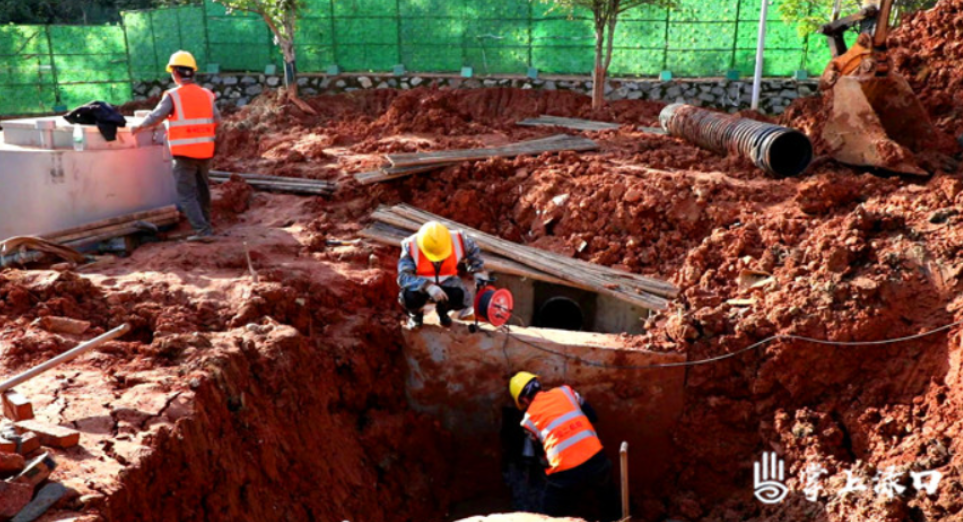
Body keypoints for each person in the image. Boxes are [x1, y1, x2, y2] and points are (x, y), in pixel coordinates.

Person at [130, 50, 220, 242]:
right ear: (192, 73)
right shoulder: (206, 94)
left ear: (175, 73)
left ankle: (202, 232)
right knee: (203, 190)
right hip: (205, 150)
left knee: (186, 193)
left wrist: (138, 126)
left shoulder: (173, 95)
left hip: (184, 152)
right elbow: (217, 118)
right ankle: (207, 227)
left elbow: (156, 116)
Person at [509, 371, 621, 522]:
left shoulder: (528, 420)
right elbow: (593, 416)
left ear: (523, 399)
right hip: (597, 459)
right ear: (538, 385)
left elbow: (536, 456)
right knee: (608, 497)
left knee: (549, 514)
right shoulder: (566, 392)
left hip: (566, 474)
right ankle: (617, 517)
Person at [398, 221, 487, 328]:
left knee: (461, 297)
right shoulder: (411, 246)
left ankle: (443, 312)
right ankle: (416, 315)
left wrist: (478, 272)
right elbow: (403, 277)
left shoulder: (459, 240)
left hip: (448, 281)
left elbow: (474, 252)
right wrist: (428, 286)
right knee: (408, 298)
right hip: (421, 287)